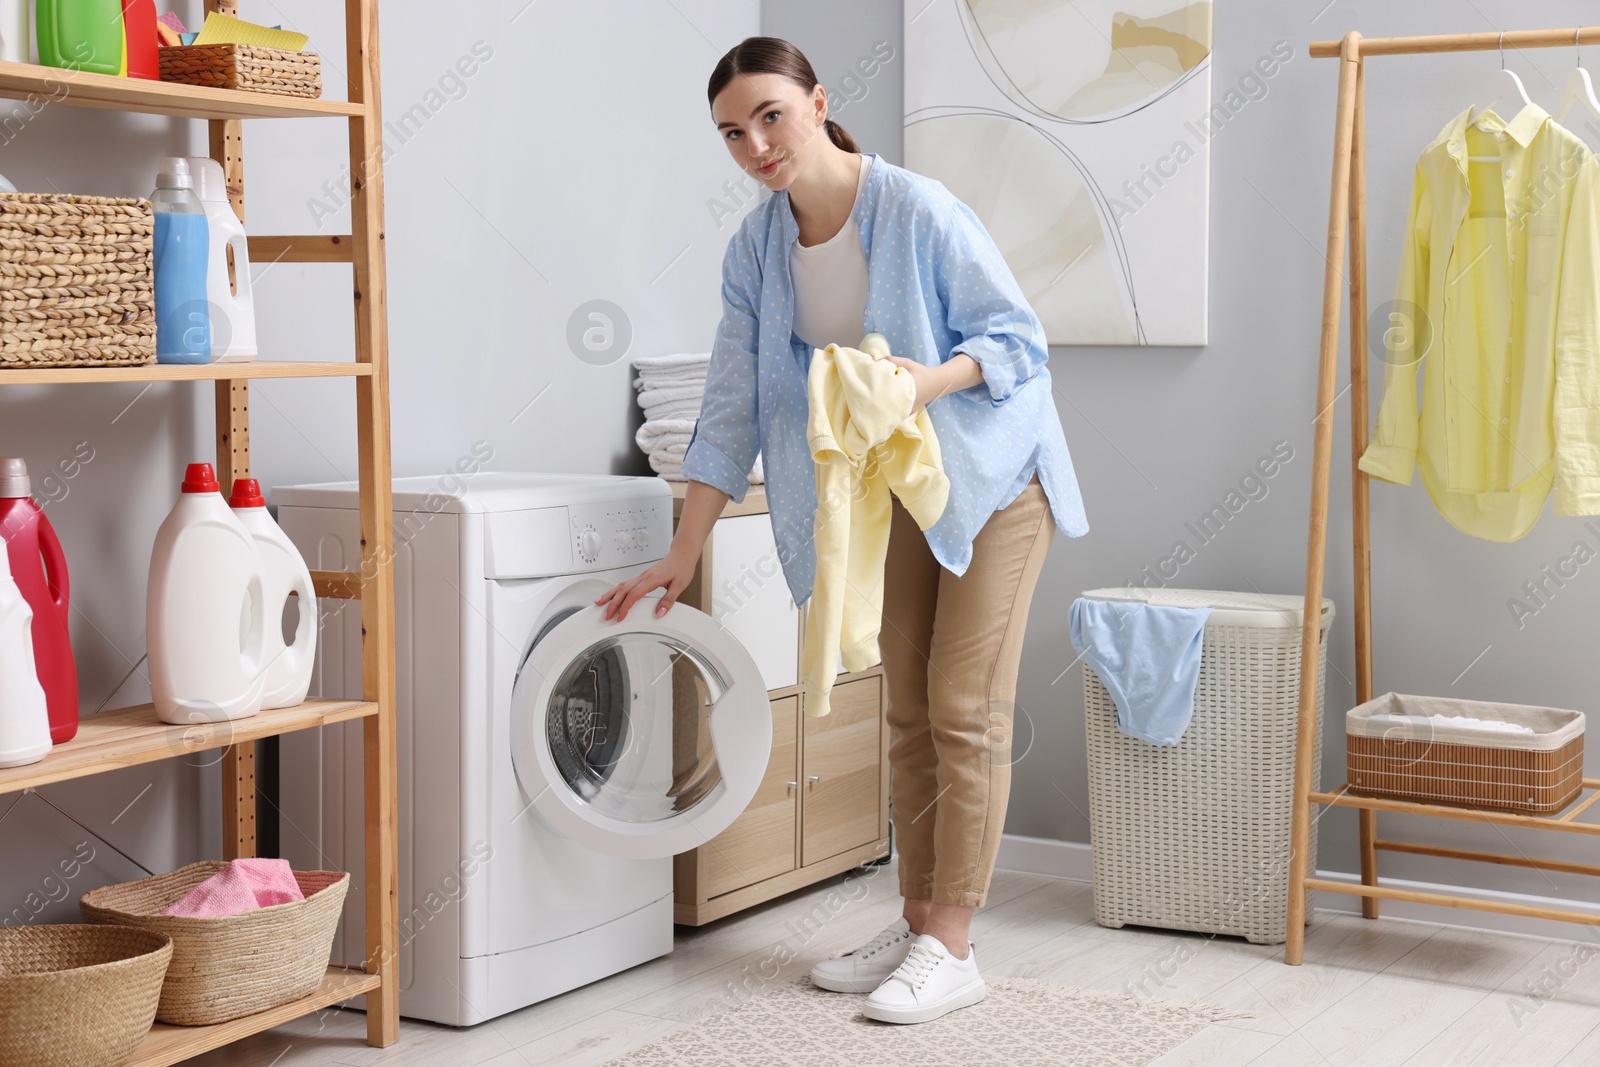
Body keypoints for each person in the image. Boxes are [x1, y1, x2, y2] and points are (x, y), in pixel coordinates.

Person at [596, 36, 1088, 1025]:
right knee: (902, 704)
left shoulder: (914, 208)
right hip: (895, 487)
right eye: (733, 133)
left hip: (994, 478)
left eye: (771, 115)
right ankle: (917, 927)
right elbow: (730, 408)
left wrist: (921, 377)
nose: (756, 144)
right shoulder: (757, 249)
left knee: (962, 703)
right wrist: (682, 551)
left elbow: (1017, 342)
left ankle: (953, 945)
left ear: (817, 103)